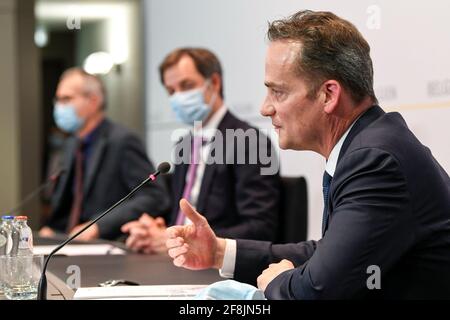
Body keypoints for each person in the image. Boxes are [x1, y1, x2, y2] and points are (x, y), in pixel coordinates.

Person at [165, 11, 450, 299]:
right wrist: (219, 252)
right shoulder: (368, 143)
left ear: (328, 94)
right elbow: (329, 253)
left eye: (278, 92)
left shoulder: (375, 160)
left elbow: (317, 290)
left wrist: (277, 282)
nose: (265, 108)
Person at [121, 48, 280, 254]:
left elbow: (259, 229)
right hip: (177, 260)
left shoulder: (250, 142)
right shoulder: (185, 143)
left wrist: (186, 240)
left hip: (218, 267)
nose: (178, 96)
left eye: (186, 85)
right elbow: (183, 215)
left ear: (214, 83)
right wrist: (158, 231)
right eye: (171, 91)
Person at [40, 68, 170, 241]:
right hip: (68, 242)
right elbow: (69, 202)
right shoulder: (72, 144)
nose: (59, 106)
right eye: (58, 99)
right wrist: (53, 229)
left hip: (108, 244)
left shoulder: (122, 140)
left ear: (93, 101)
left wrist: (98, 225)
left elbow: (154, 196)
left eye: (67, 99)